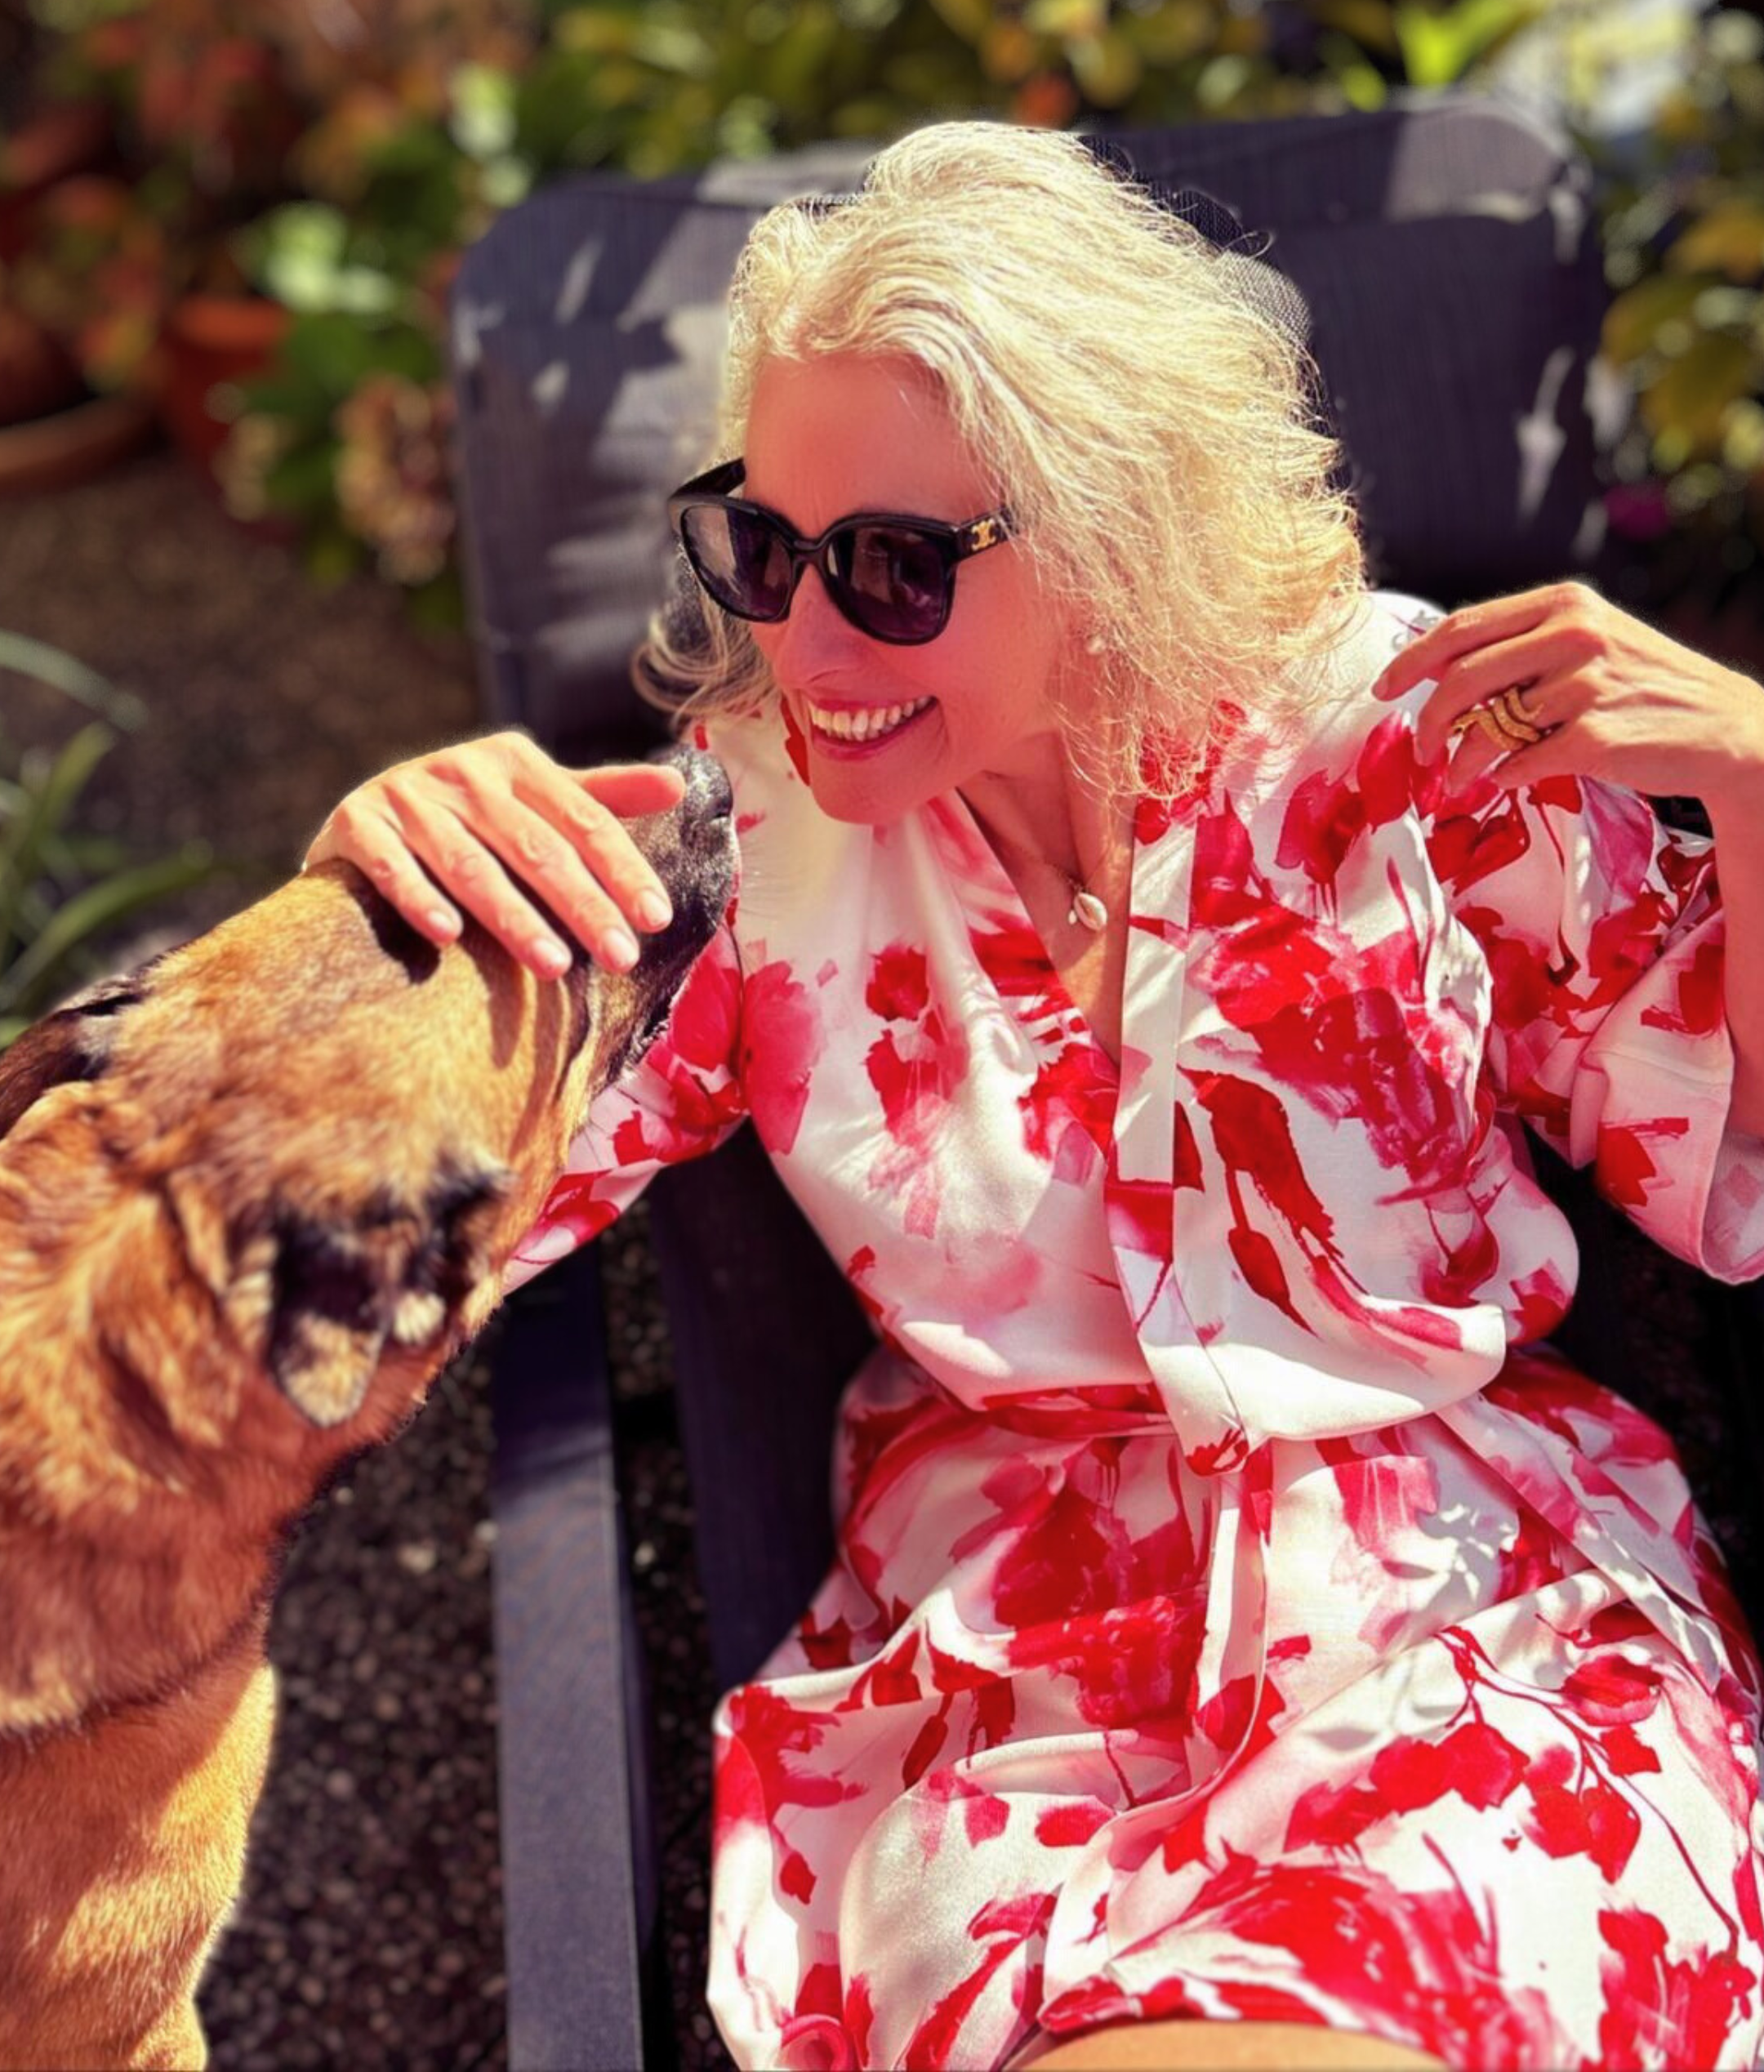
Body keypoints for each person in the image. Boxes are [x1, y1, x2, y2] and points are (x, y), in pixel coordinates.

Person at [305, 122, 1764, 2072]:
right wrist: (350, 919)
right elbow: (368, 1246)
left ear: (1107, 525)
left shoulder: (1422, 751)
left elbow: (1735, 1151)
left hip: (1461, 1614)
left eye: (899, 568)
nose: (809, 643)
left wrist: (1756, 784)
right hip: (1013, 1677)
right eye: (767, 544)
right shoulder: (751, 859)